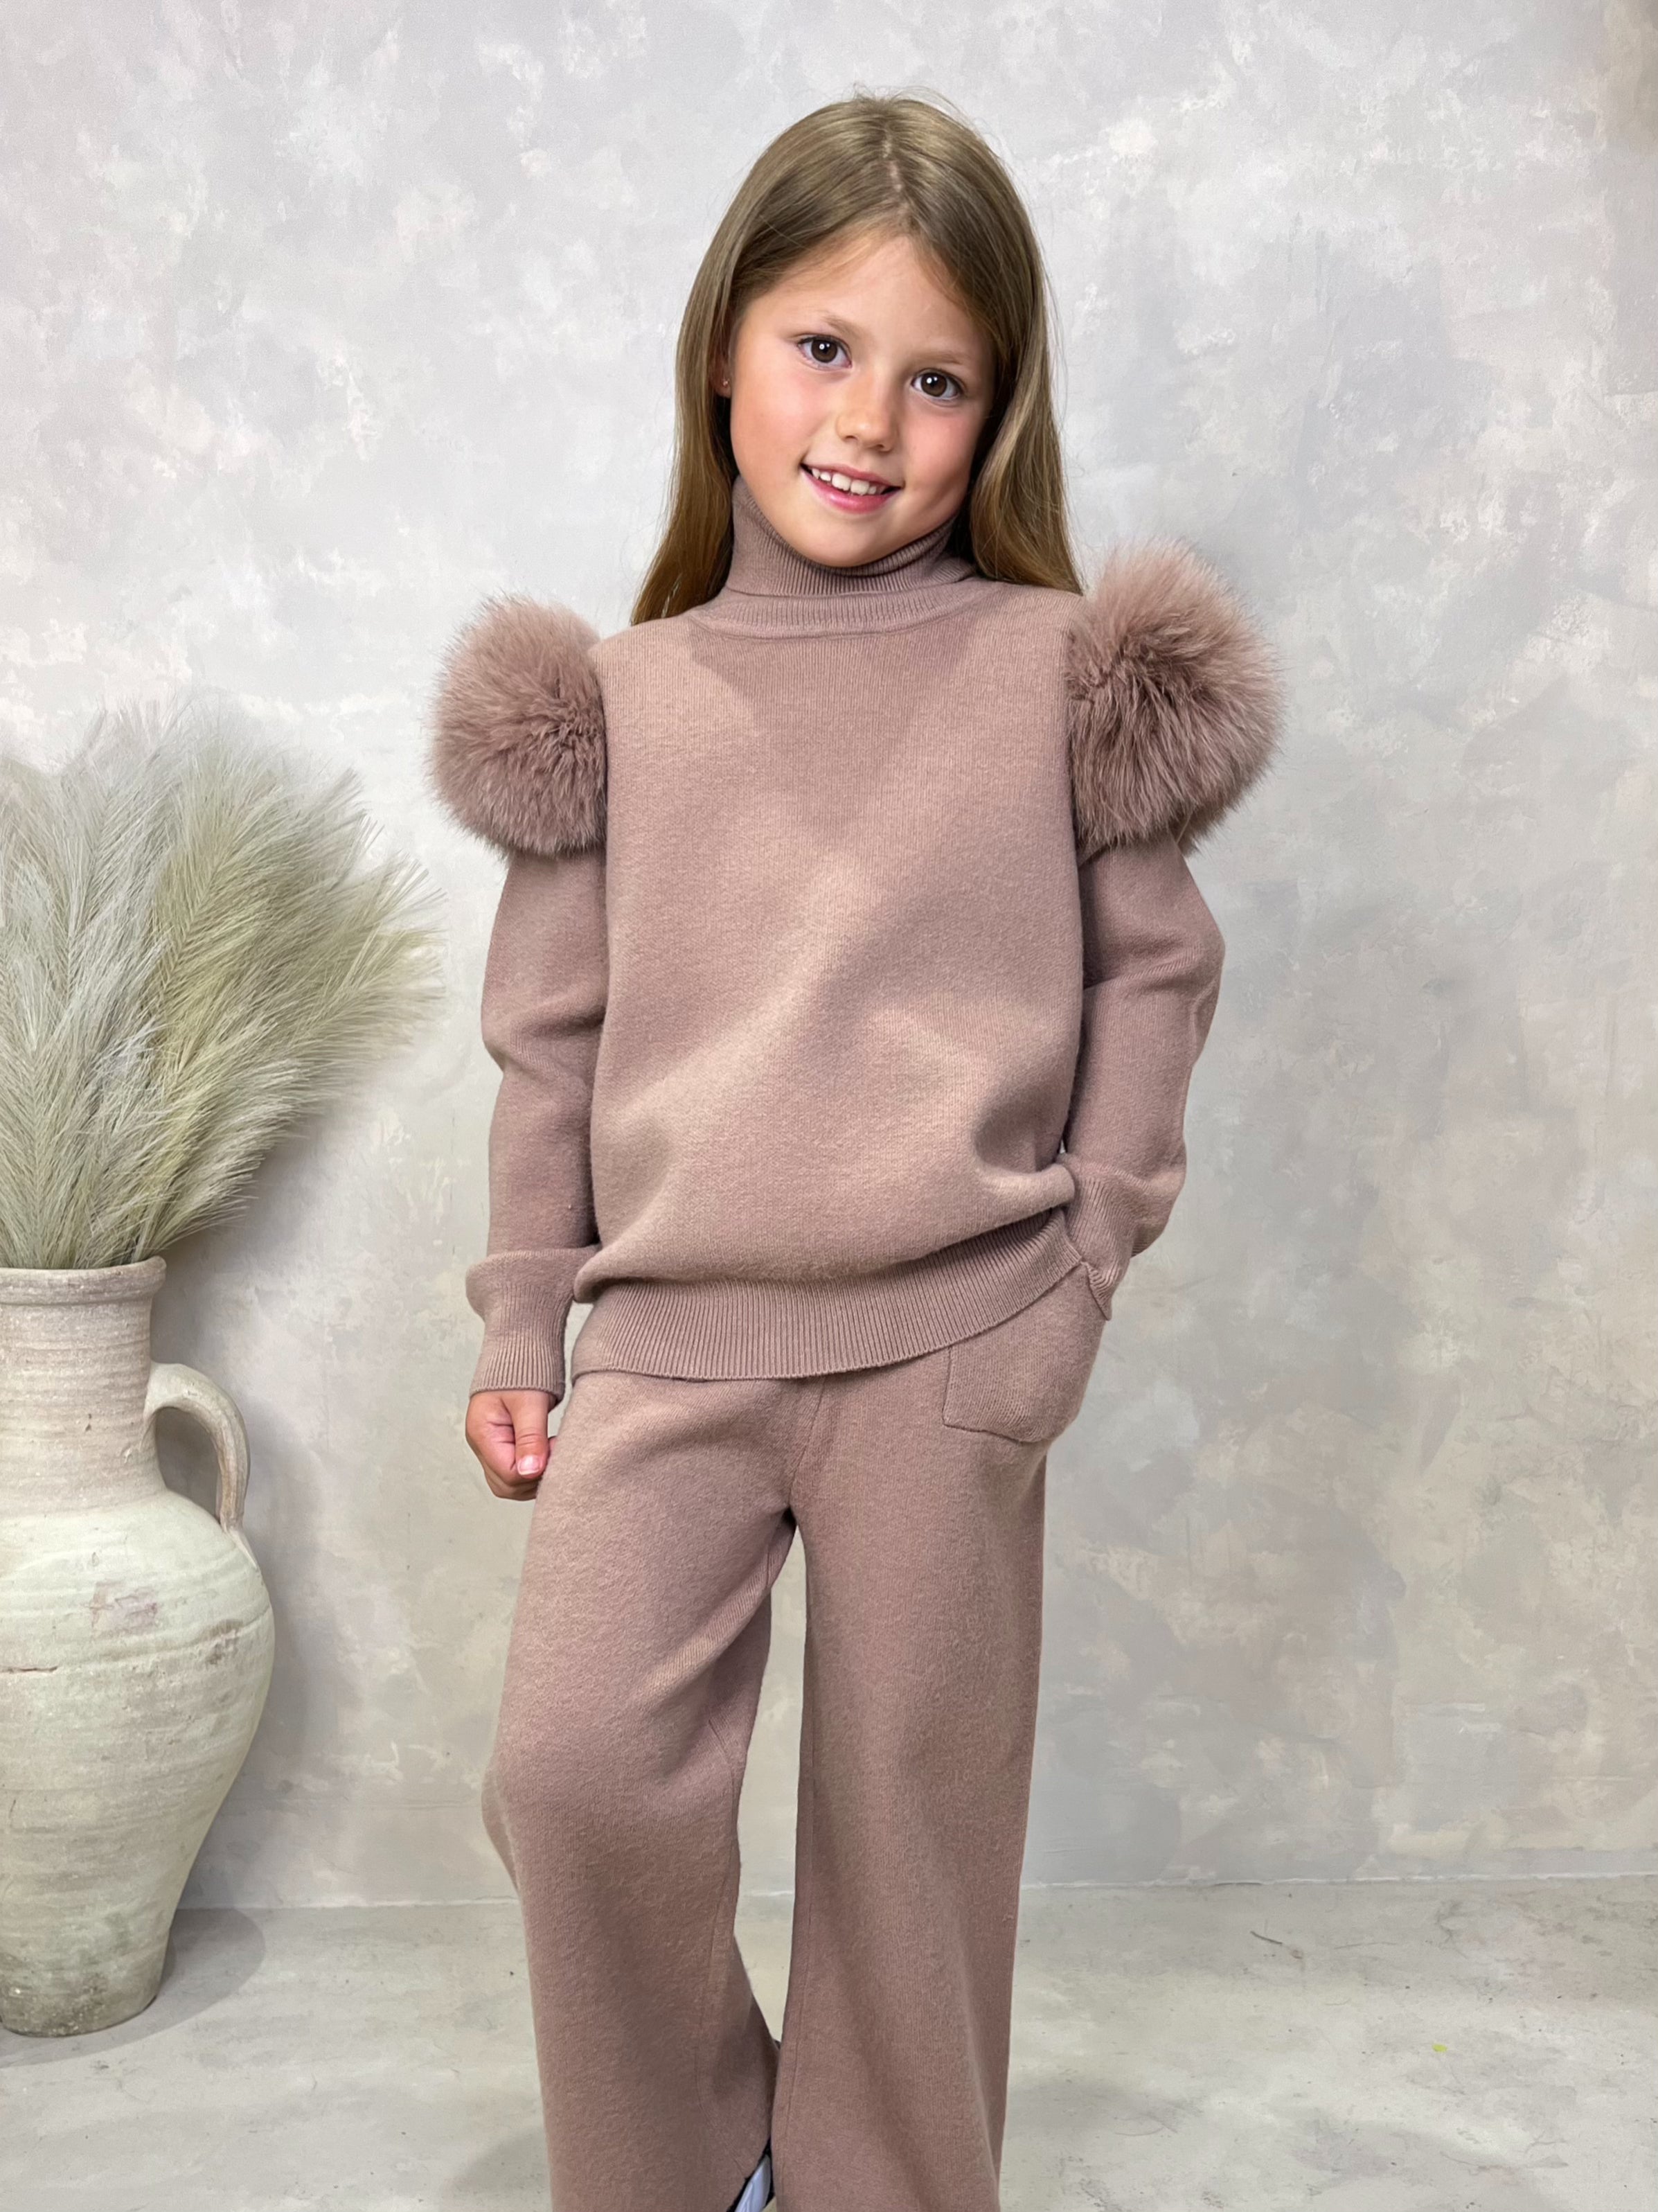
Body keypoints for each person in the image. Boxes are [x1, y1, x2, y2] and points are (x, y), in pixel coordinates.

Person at [426, 90, 1280, 2212]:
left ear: (998, 412)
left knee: (911, 1826)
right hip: (669, 1345)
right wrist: (525, 1313)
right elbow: (548, 1043)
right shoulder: (613, 702)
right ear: (722, 343)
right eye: (822, 346)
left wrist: (1079, 1266)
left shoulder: (1056, 674)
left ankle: (885, 2183)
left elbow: (1154, 975)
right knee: (574, 1775)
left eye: (937, 379)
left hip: (955, 1340)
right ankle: (691, 2165)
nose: (869, 421)